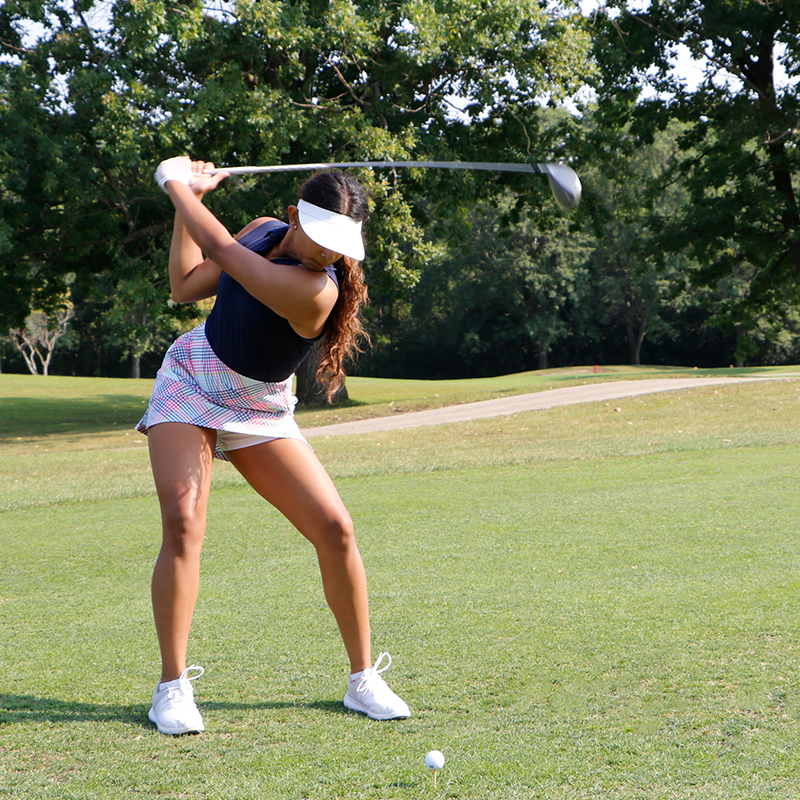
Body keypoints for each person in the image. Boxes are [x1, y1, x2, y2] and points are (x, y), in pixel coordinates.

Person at [136, 156, 410, 735]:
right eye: (321, 238)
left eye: (341, 247)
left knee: (336, 528)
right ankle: (172, 688)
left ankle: (362, 678)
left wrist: (175, 187)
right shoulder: (261, 229)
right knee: (184, 525)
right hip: (192, 379)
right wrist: (187, 205)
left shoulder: (314, 291)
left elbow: (227, 255)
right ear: (292, 216)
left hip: (259, 406)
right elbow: (186, 285)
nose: (328, 254)